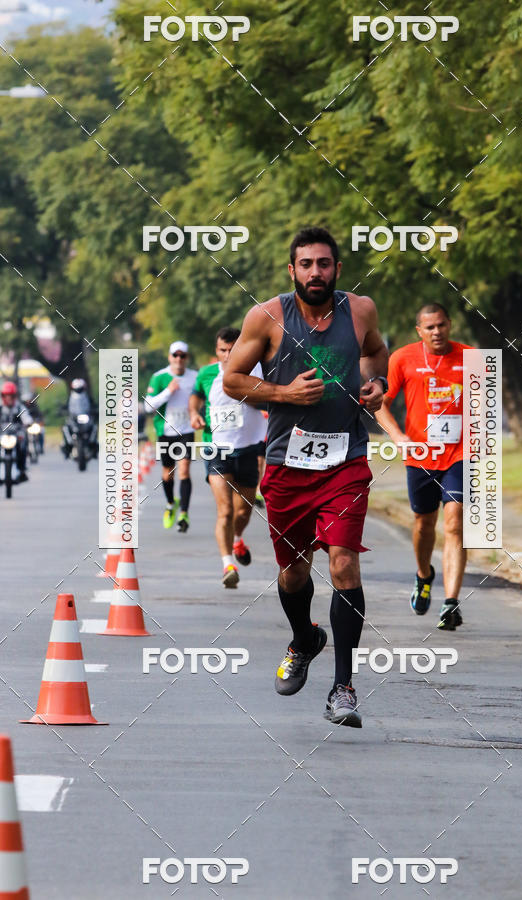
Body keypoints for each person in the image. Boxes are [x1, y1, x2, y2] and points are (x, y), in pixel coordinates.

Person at [223, 226, 388, 728]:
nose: (316, 271)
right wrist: (284, 394)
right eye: (306, 264)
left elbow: (377, 352)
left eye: (324, 263)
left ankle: (343, 688)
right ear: (291, 269)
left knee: (342, 566)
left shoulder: (360, 310)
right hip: (287, 465)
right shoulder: (268, 317)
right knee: (294, 573)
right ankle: (304, 638)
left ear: (337, 268)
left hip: (346, 461)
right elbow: (232, 379)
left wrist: (377, 383)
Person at [375, 302, 471, 631]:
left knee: (455, 522)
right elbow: (379, 405)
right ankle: (423, 574)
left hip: (460, 455)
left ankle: (451, 602)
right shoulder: (402, 358)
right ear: (420, 331)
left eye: (441, 325)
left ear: (449, 324)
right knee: (423, 525)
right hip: (420, 456)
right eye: (429, 327)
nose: (436, 331)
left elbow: (487, 406)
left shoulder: (471, 357)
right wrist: (398, 436)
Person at [189, 327, 266, 588]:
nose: (227, 354)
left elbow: (269, 400)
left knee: (243, 511)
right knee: (226, 510)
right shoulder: (207, 373)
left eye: (233, 349)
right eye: (223, 350)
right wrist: (194, 414)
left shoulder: (257, 370)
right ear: (217, 351)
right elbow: (196, 396)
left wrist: (251, 395)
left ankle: (237, 539)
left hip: (248, 448)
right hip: (216, 447)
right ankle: (228, 564)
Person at [144, 341, 198, 533]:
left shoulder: (195, 377)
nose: (178, 359)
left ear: (187, 358)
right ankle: (170, 504)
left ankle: (183, 513)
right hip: (165, 432)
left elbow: (204, 399)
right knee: (168, 473)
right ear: (169, 357)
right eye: (175, 355)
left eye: (182, 356)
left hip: (186, 431)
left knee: (184, 470)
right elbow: (148, 407)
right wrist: (168, 391)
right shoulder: (159, 377)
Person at [0, 381, 32, 482]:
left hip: (16, 434)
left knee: (22, 446)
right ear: (3, 396)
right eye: (7, 396)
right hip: (2, 434)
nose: (9, 398)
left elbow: (26, 417)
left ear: (15, 396)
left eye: (11, 396)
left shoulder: (19, 407)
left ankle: (21, 470)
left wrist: (28, 422)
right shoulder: (0, 408)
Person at [62, 378, 98, 458]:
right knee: (65, 427)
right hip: (74, 418)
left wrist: (95, 409)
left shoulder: (87, 396)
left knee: (94, 427)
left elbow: (93, 405)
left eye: (80, 388)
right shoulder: (71, 397)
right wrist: (63, 410)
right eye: (77, 388)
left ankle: (94, 444)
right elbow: (66, 406)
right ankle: (67, 445)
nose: (78, 390)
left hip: (85, 417)